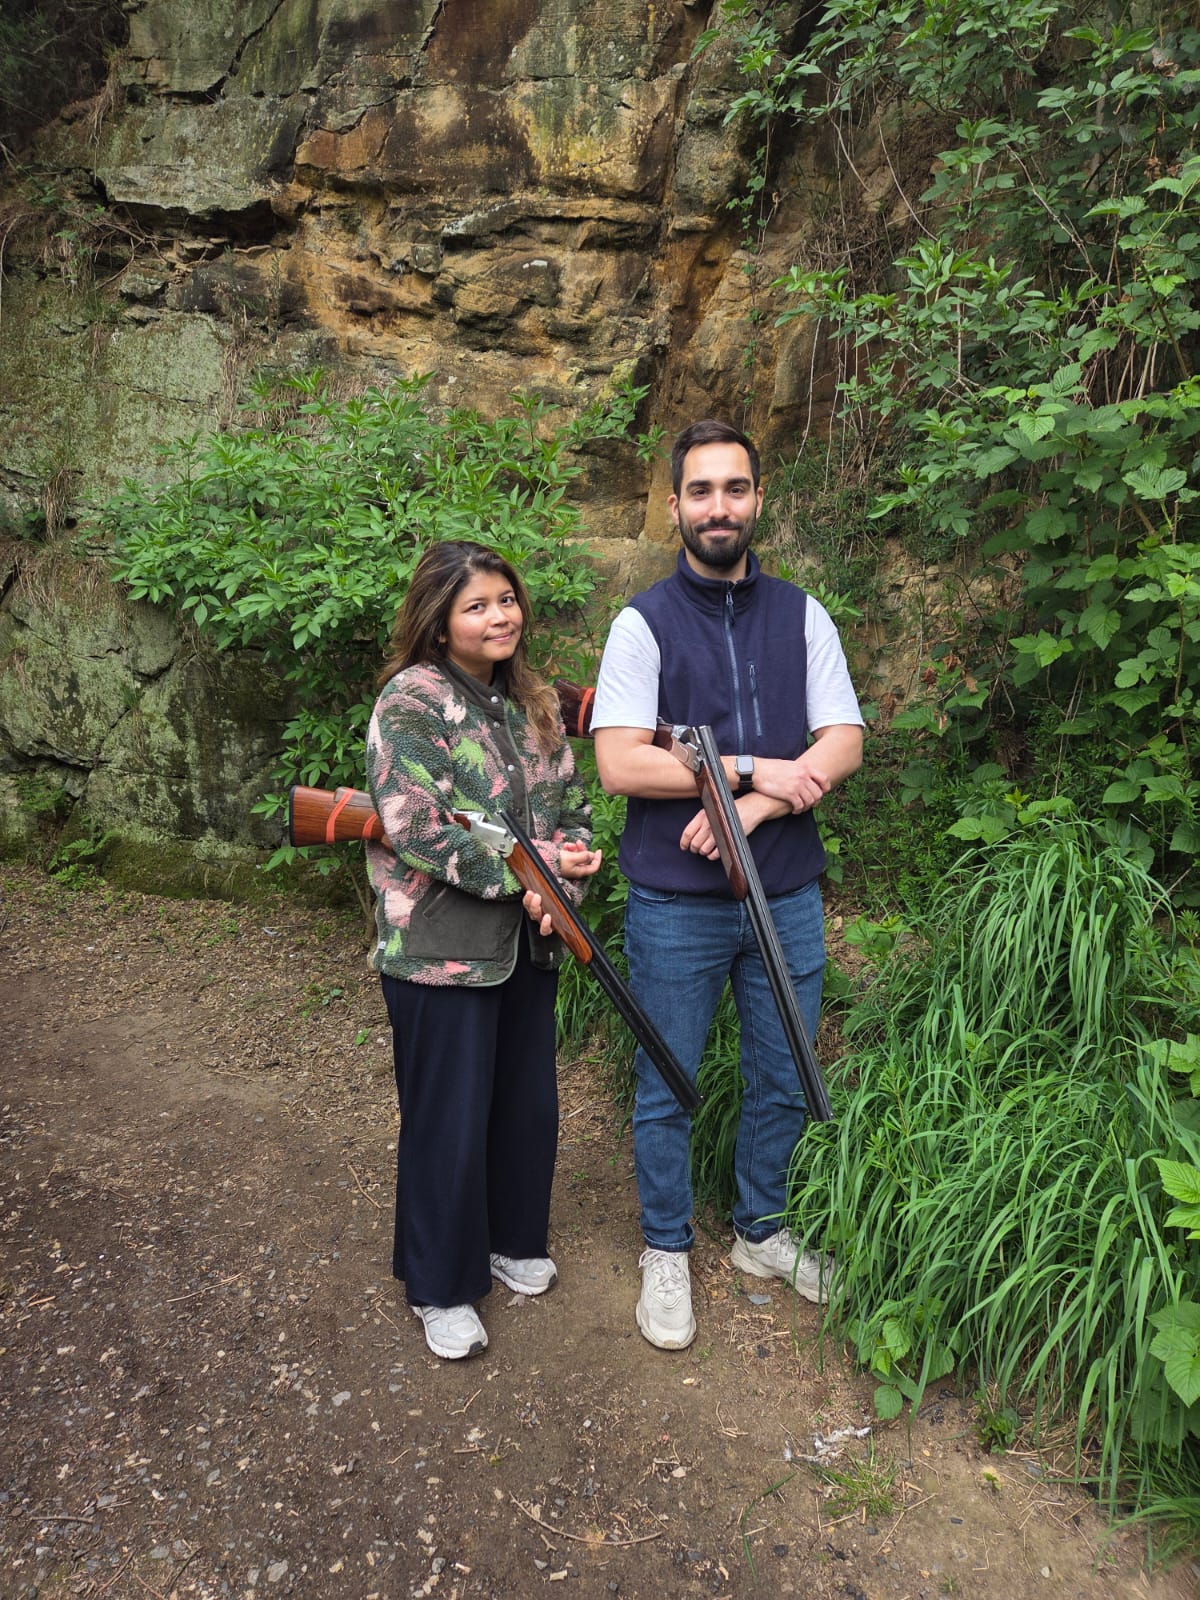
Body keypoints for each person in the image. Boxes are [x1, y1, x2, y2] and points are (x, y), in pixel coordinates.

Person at [591, 419, 864, 1350]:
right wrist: (751, 769)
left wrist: (751, 810)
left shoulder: (802, 614)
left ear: (758, 499)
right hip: (676, 900)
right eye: (700, 491)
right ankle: (665, 1249)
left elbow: (843, 744)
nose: (719, 507)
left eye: (734, 489)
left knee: (782, 1068)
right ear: (674, 506)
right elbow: (624, 766)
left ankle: (761, 1231)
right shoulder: (643, 625)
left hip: (783, 888)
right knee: (668, 1078)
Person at [365, 540, 601, 1361]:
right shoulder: (412, 702)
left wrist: (568, 868)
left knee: (525, 1106)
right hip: (439, 948)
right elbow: (415, 826)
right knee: (447, 1121)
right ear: (438, 620)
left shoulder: (534, 700)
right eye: (477, 605)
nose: (499, 616)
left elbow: (570, 806)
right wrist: (523, 880)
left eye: (506, 599)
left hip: (527, 944)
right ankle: (440, 1285)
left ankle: (511, 1239)